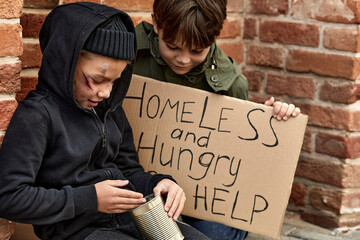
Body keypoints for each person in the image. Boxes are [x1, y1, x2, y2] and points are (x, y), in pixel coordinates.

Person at [0, 2, 209, 240]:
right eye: (95, 79)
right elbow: (9, 197)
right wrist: (90, 199)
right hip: (79, 233)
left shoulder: (110, 110)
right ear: (65, 63)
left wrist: (159, 183)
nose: (105, 93)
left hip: (134, 222)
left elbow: (129, 172)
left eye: (113, 81)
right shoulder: (37, 115)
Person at [133, 0, 301, 239]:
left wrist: (273, 120)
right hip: (146, 188)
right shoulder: (129, 56)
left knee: (211, 234)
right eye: (172, 47)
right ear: (156, 24)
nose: (182, 59)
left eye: (196, 51)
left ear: (213, 38)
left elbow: (242, 155)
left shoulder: (232, 83)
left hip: (206, 202)